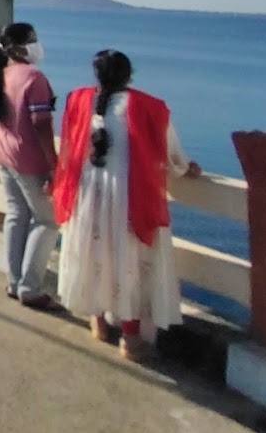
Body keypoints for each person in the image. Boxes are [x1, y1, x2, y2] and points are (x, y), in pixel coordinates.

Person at [54, 49, 202, 361]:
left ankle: (98, 323)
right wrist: (186, 167)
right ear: (129, 74)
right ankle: (130, 339)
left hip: (89, 191)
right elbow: (171, 152)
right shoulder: (148, 106)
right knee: (129, 262)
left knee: (94, 253)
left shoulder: (79, 100)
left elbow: (69, 145)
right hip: (126, 195)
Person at [0, 22, 60, 310]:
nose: (36, 44)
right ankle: (30, 287)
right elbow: (41, 123)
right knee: (48, 220)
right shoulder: (34, 78)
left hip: (2, 155)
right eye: (32, 40)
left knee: (16, 214)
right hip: (28, 160)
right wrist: (53, 165)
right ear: (16, 47)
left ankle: (14, 281)